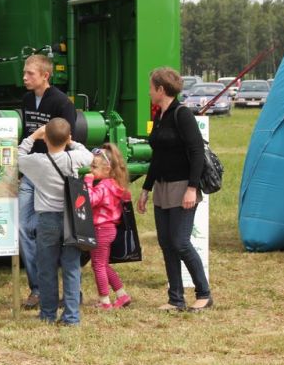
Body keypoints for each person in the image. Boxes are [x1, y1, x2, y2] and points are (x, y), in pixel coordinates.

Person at [137, 67, 213, 312]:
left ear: (161, 89)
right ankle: (176, 299)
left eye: (151, 88)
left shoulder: (182, 114)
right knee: (166, 243)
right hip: (162, 187)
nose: (149, 92)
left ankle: (204, 294)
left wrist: (192, 188)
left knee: (180, 242)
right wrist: (146, 189)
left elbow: (197, 153)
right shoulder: (160, 115)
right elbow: (157, 156)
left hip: (183, 187)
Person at [17, 118, 93, 326]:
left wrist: (33, 136)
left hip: (47, 218)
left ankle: (48, 313)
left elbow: (17, 156)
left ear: (46, 138)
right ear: (67, 137)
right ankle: (71, 316)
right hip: (72, 219)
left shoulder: (38, 161)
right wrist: (71, 142)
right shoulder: (73, 158)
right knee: (71, 267)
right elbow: (88, 155)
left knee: (47, 268)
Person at [19, 54, 77, 309]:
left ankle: (69, 291)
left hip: (52, 175)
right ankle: (38, 288)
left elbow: (68, 139)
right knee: (22, 227)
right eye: (24, 72)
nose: (24, 77)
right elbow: (26, 133)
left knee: (60, 234)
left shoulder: (62, 102)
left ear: (45, 75)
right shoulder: (27, 99)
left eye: (30, 73)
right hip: (31, 172)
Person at [83, 144, 133, 310]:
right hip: (109, 228)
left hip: (100, 229)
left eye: (94, 167)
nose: (90, 169)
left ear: (107, 168)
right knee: (104, 264)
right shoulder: (115, 184)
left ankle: (104, 301)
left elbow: (90, 201)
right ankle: (122, 295)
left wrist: (88, 183)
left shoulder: (103, 186)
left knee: (97, 265)